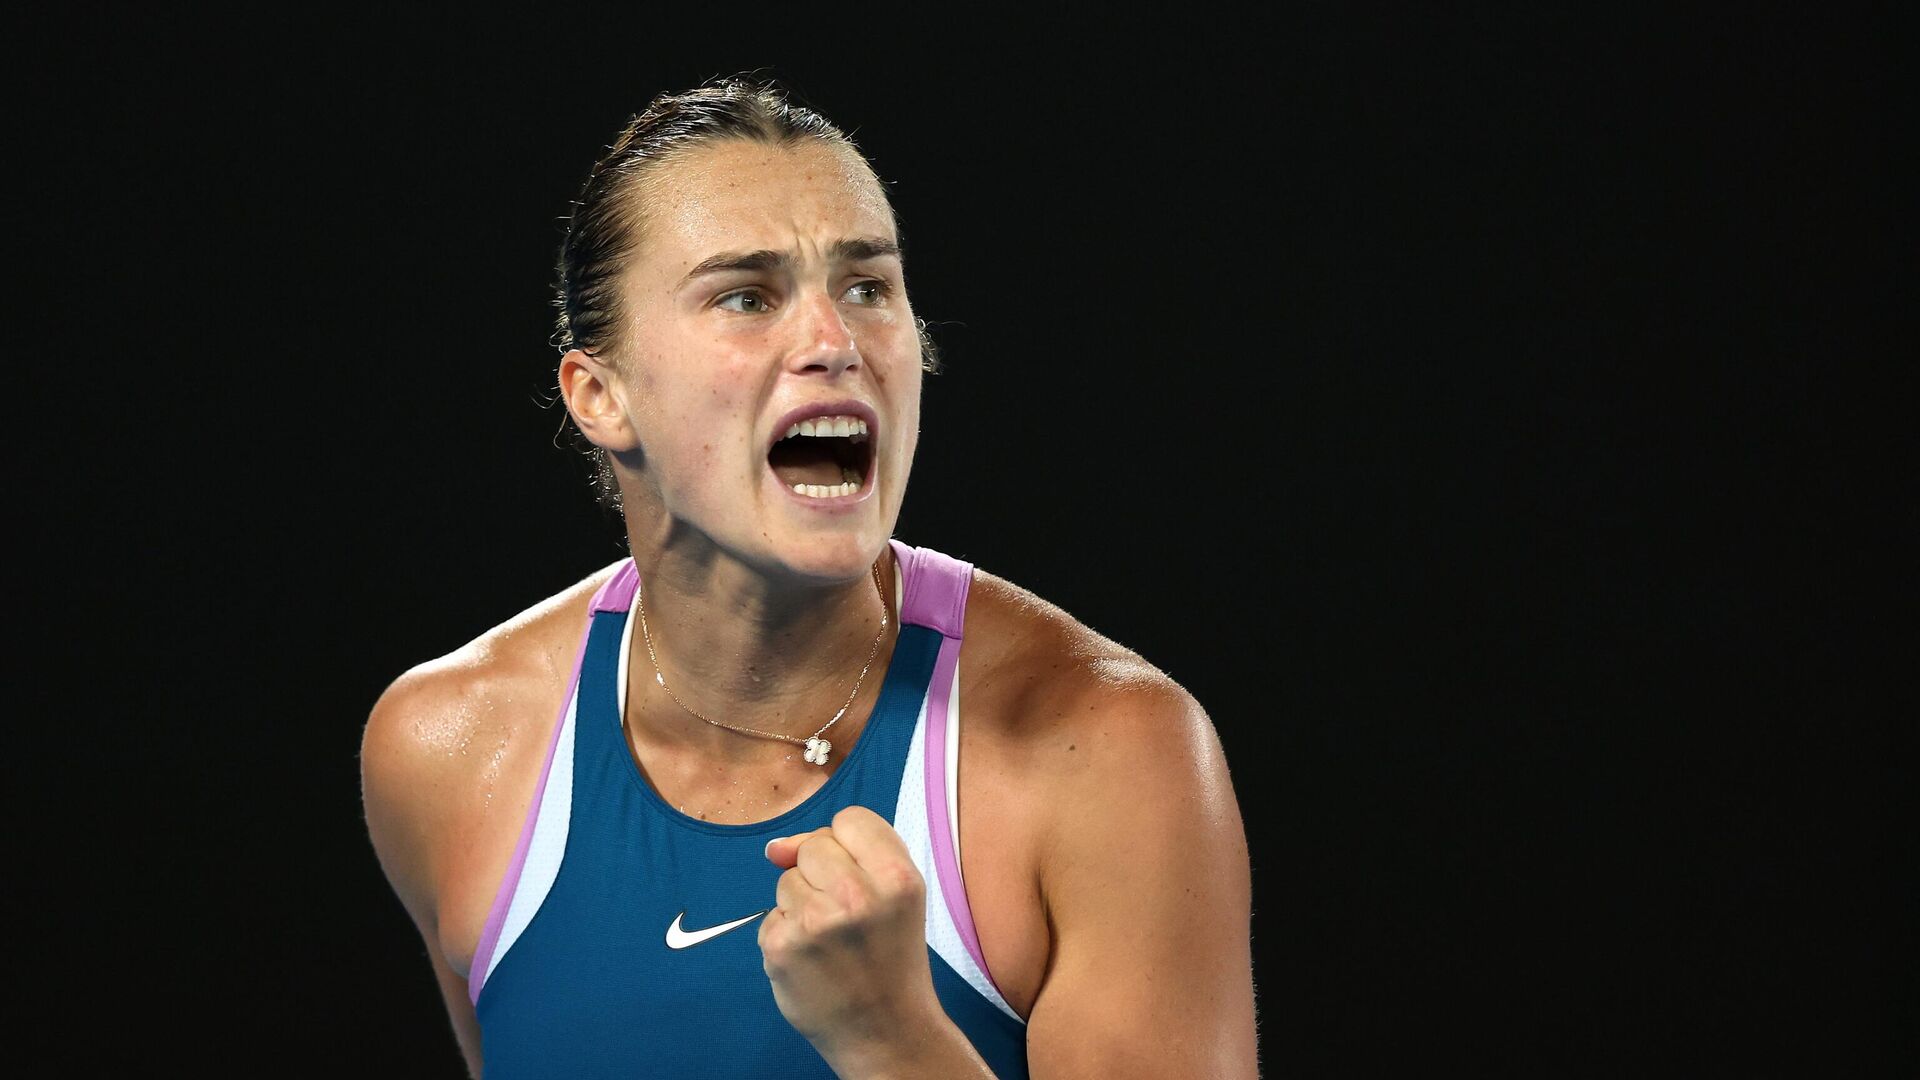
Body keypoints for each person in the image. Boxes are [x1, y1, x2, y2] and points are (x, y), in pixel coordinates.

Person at [361, 78, 1256, 1079]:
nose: (835, 342)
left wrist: (892, 1040)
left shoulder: (1107, 756)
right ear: (601, 396)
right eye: (746, 297)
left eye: (868, 287)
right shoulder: (448, 751)